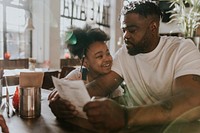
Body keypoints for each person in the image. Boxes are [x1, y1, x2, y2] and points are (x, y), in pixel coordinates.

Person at [50, 0, 200, 132]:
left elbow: (192, 101)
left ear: (153, 27)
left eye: (132, 30)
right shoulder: (124, 54)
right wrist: (67, 101)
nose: (126, 36)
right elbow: (99, 87)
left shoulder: (182, 49)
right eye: (124, 29)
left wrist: (126, 116)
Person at [49, 27, 132, 119]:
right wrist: (59, 93)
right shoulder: (81, 74)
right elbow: (62, 88)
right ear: (85, 62)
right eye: (99, 56)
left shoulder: (111, 79)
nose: (107, 59)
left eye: (108, 53)